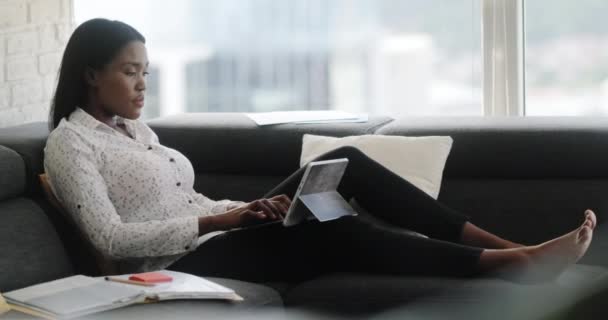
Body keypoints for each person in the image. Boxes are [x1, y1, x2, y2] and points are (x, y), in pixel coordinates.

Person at [44, 18, 596, 284]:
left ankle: (508, 245)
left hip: (221, 230)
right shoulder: (69, 146)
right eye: (130, 72)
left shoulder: (133, 131)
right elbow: (111, 238)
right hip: (177, 264)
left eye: (146, 72)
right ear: (92, 74)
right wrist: (227, 218)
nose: (143, 86)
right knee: (334, 228)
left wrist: (251, 208)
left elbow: (185, 197)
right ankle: (508, 264)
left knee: (346, 166)